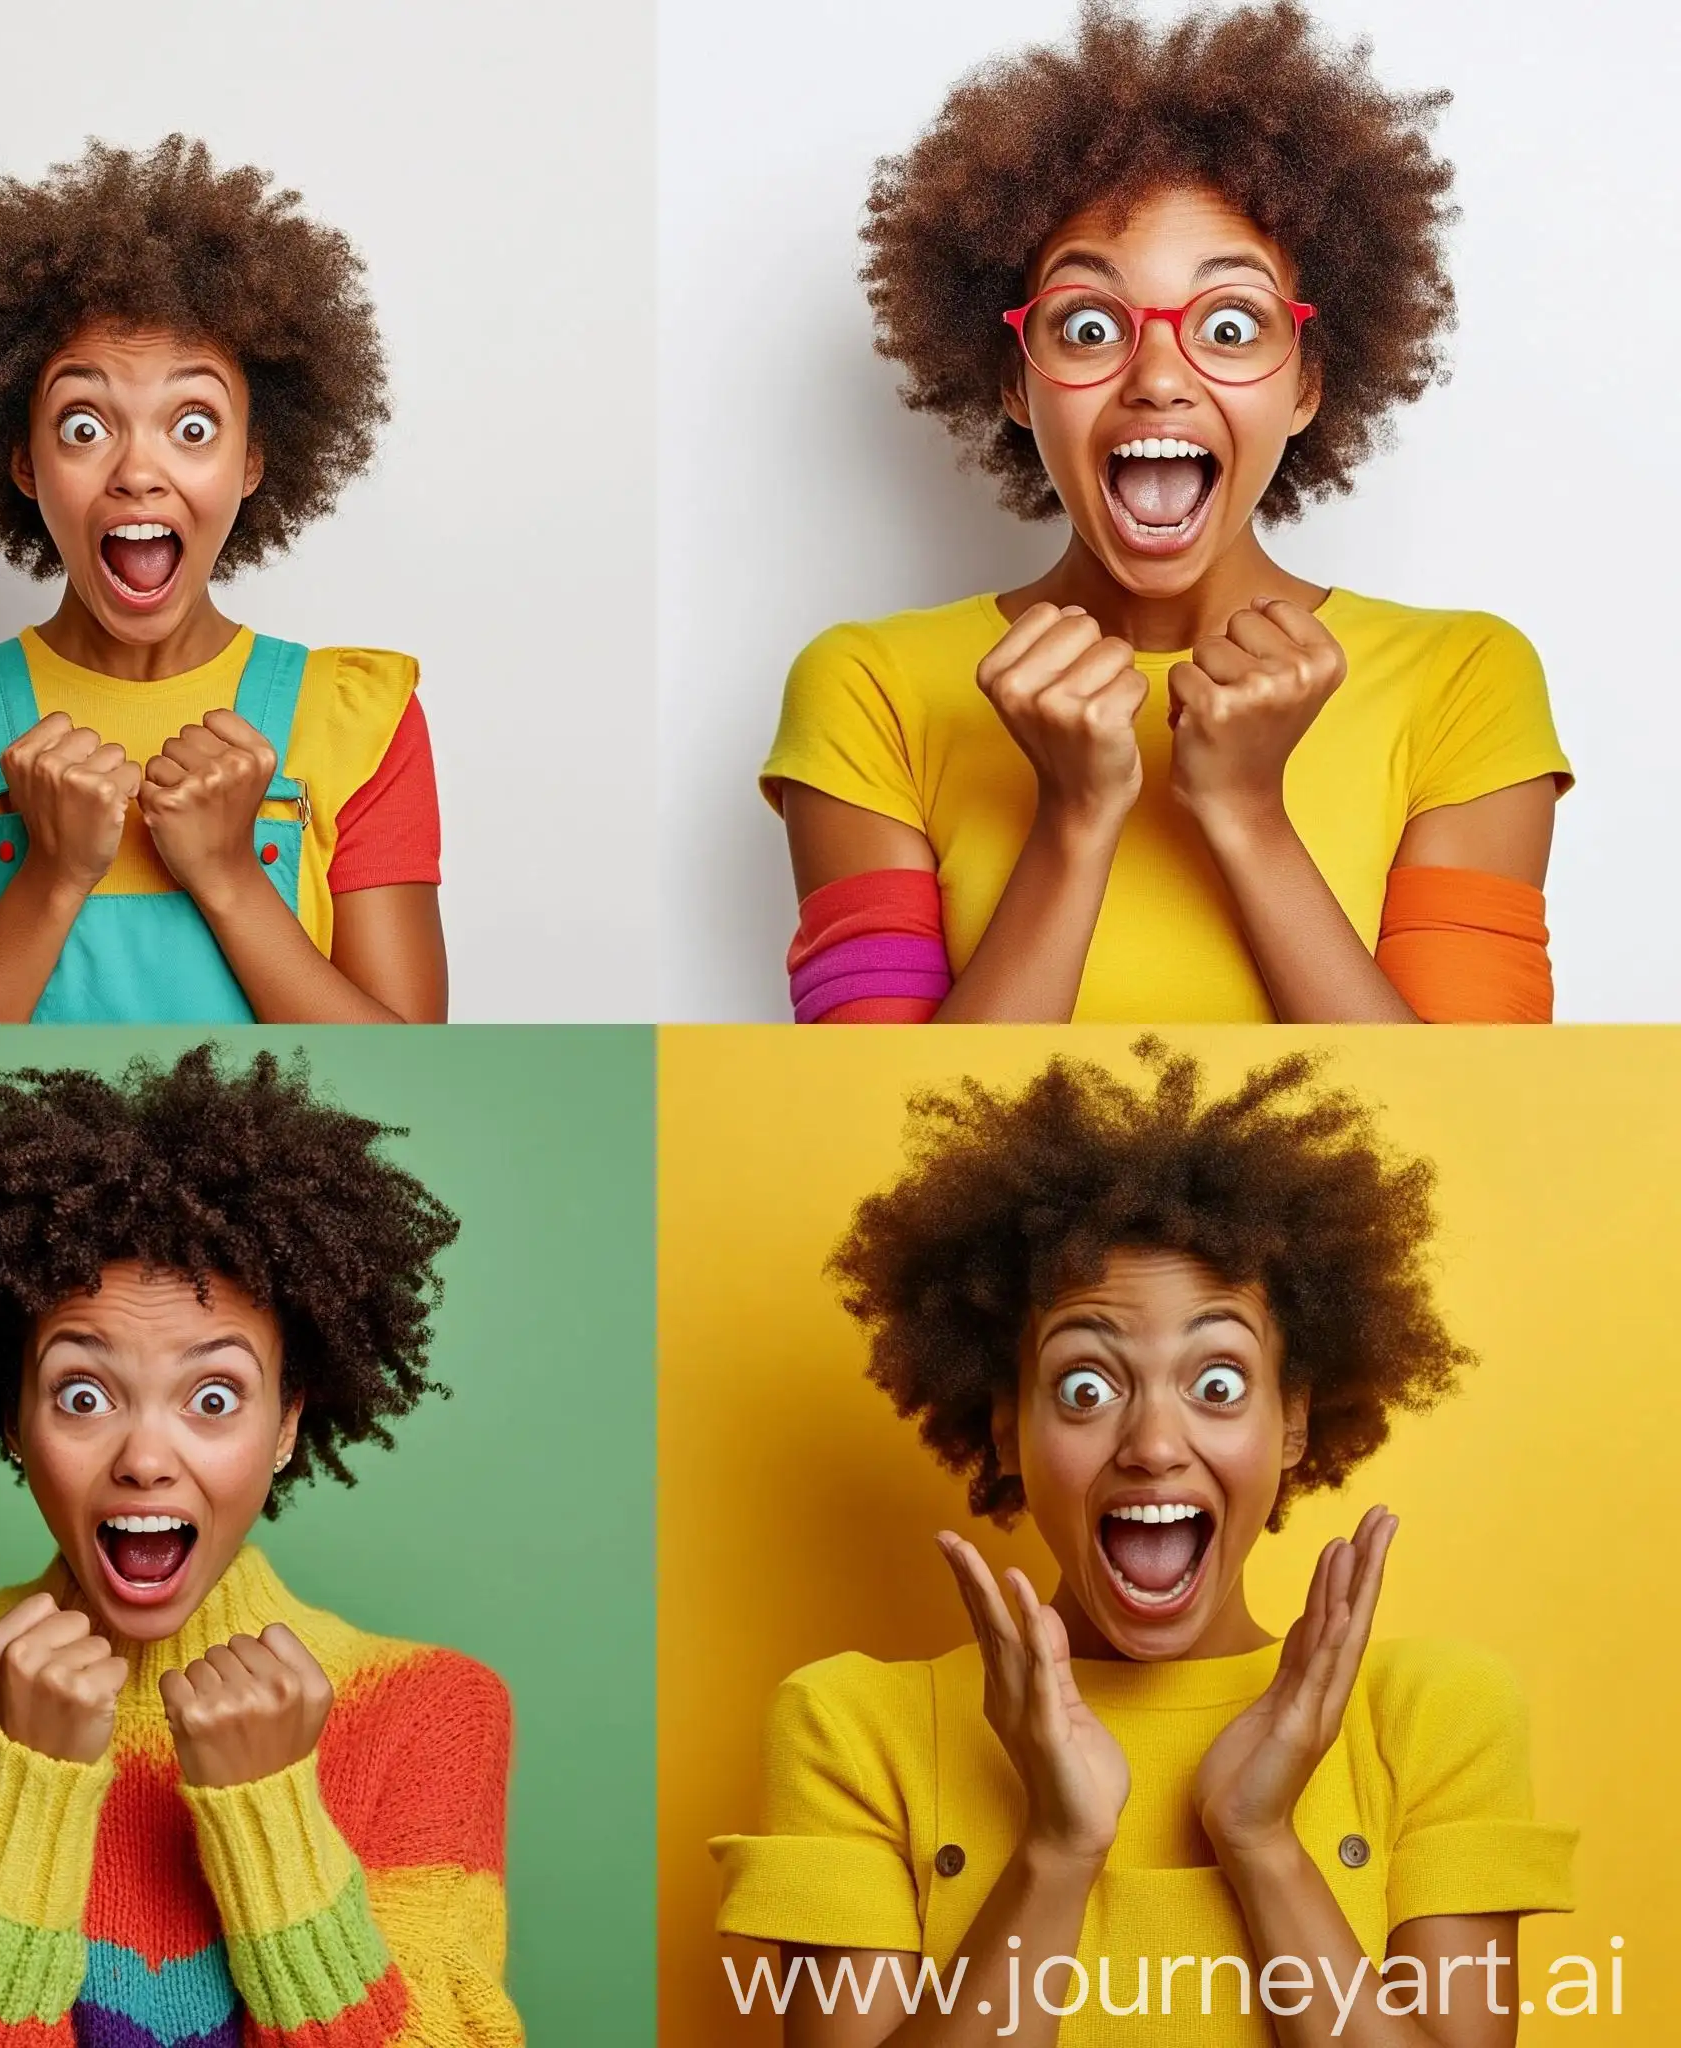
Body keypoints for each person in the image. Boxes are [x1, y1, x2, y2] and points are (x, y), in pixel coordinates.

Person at [713, 1042, 1574, 2045]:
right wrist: (1054, 1846)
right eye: (1086, 1385)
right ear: (1007, 1427)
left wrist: (1261, 1843)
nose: (1155, 1443)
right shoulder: (852, 1723)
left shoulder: (1430, 1717)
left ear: (1289, 1420)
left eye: (1215, 1383)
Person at [766, 3, 1569, 1026]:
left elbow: (1465, 1131)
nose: (1157, 379)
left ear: (1306, 382)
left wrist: (1245, 814)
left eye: (1228, 325)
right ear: (1016, 382)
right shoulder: (867, 687)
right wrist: (1070, 820)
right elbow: (872, 1138)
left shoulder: (1462, 679)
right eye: (1088, 323)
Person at [0, 1047, 522, 2046]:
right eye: (82, 1394)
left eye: (213, 1398)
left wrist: (271, 1815)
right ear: (11, 1416)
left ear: (287, 1421)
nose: (144, 1457)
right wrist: (22, 1787)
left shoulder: (428, 1707)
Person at [0, 137, 445, 1024]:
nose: (137, 473)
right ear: (24, 462)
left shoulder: (359, 721)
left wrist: (233, 877)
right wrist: (48, 881)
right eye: (84, 426)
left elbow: (419, 1092)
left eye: (192, 427)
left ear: (252, 462)